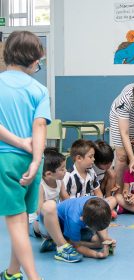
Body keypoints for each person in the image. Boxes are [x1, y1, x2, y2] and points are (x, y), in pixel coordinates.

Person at [0, 30, 50, 280]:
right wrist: (36, 160)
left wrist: (17, 141)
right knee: (20, 219)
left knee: (17, 223)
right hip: (31, 162)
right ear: (32, 60)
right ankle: (12, 272)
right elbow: (40, 126)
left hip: (5, 159)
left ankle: (33, 277)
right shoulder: (39, 89)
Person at [36, 196, 115, 261]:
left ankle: (56, 242)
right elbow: (77, 247)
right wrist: (96, 254)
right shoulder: (75, 220)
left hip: (67, 225)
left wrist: (106, 240)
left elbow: (101, 225)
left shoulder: (98, 203)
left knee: (99, 242)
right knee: (49, 205)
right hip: (49, 226)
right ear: (83, 219)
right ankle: (59, 244)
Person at [29, 148, 69, 238]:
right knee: (42, 223)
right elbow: (39, 210)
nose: (65, 171)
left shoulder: (59, 181)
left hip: (52, 216)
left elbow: (66, 198)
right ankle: (49, 236)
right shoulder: (40, 186)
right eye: (62, 169)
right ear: (49, 174)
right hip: (35, 222)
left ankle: (53, 236)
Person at [93, 140, 119, 211]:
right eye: (106, 164)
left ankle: (108, 200)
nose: (109, 165)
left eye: (110, 162)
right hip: (93, 193)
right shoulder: (91, 168)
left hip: (101, 189)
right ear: (96, 161)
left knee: (112, 174)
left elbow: (110, 176)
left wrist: (114, 184)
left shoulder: (107, 166)